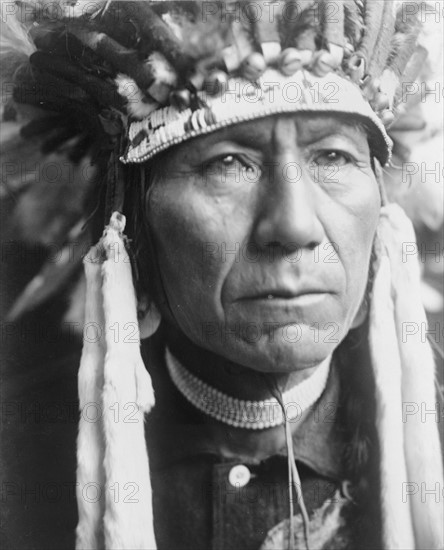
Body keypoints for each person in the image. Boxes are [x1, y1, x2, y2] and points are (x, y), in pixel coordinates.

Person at [1, 1, 443, 549]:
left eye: (332, 156)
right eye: (228, 163)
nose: (294, 225)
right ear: (127, 233)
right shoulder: (16, 466)